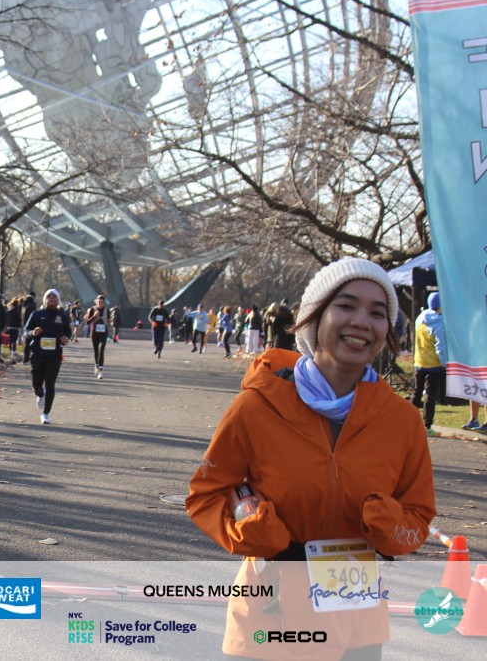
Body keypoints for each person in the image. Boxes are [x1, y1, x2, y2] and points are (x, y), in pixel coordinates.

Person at [187, 257, 435, 660]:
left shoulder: (402, 420)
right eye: (346, 305)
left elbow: (418, 516)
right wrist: (250, 531)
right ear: (313, 318)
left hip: (358, 621)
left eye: (377, 313)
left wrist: (388, 525)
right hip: (270, 617)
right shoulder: (256, 407)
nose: (362, 321)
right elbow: (206, 495)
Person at [23, 289, 72, 424]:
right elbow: (26, 330)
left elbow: (68, 332)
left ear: (58, 300)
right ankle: (40, 394)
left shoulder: (62, 316)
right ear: (44, 300)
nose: (51, 298)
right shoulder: (36, 314)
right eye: (48, 296)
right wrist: (33, 332)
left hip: (54, 355)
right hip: (38, 354)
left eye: (54, 296)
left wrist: (65, 338)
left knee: (50, 384)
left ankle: (45, 413)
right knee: (36, 384)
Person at [411, 291, 447, 435]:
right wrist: (444, 364)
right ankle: (427, 426)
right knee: (430, 397)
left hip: (419, 362)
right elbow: (440, 346)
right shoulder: (438, 323)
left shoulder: (420, 318)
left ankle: (407, 421)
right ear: (440, 306)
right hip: (434, 365)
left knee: (416, 393)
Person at [84, 294, 111, 378]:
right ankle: (96, 364)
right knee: (96, 352)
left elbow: (109, 321)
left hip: (103, 332)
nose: (100, 303)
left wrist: (108, 320)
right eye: (99, 302)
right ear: (96, 302)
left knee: (102, 350)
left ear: (104, 303)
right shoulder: (92, 309)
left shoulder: (107, 310)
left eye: (102, 302)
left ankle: (101, 371)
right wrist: (94, 316)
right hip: (95, 332)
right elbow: (87, 322)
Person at [20, 291, 37, 362]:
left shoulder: (24, 306)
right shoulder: (32, 307)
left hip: (25, 325)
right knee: (30, 342)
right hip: (31, 326)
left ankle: (26, 356)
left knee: (26, 342)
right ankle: (28, 356)